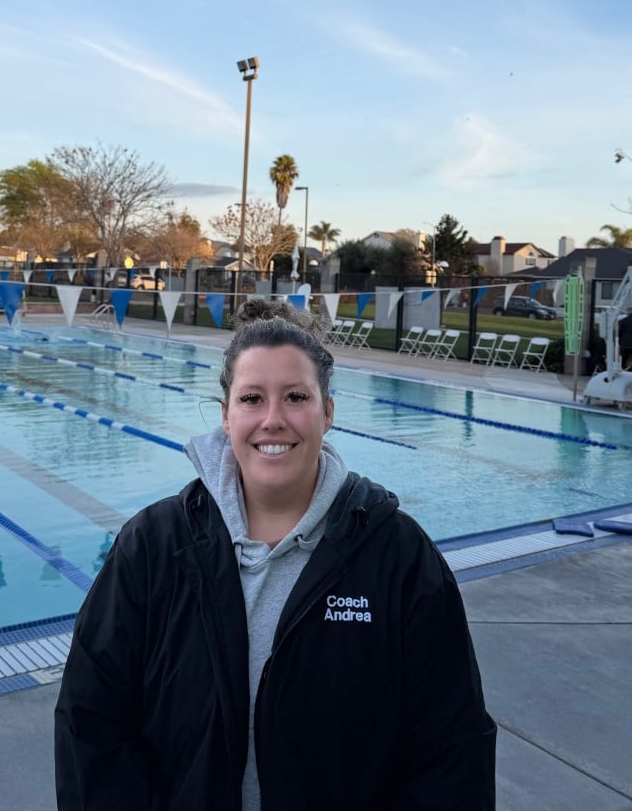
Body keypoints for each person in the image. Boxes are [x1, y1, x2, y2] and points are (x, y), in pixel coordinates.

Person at [55, 298, 496, 810]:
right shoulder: (153, 546)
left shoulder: (398, 556)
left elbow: (450, 748)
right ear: (226, 415)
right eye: (251, 399)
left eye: (295, 397)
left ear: (327, 412)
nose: (273, 419)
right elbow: (91, 724)